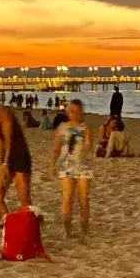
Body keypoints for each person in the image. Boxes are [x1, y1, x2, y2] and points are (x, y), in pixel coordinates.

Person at [0, 91, 32, 216]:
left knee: (24, 198)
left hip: (19, 156)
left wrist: (5, 162)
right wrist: (1, 161)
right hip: (7, 159)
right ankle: (7, 224)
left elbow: (9, 140)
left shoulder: (3, 112)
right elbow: (0, 141)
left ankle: (30, 227)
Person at [51, 98, 94, 237]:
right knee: (68, 197)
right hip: (66, 165)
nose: (74, 114)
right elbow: (57, 148)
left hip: (82, 166)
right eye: (71, 111)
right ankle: (68, 229)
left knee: (84, 199)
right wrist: (52, 164)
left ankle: (84, 228)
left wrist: (87, 144)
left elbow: (88, 145)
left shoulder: (86, 127)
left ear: (82, 112)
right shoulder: (62, 127)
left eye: (77, 111)